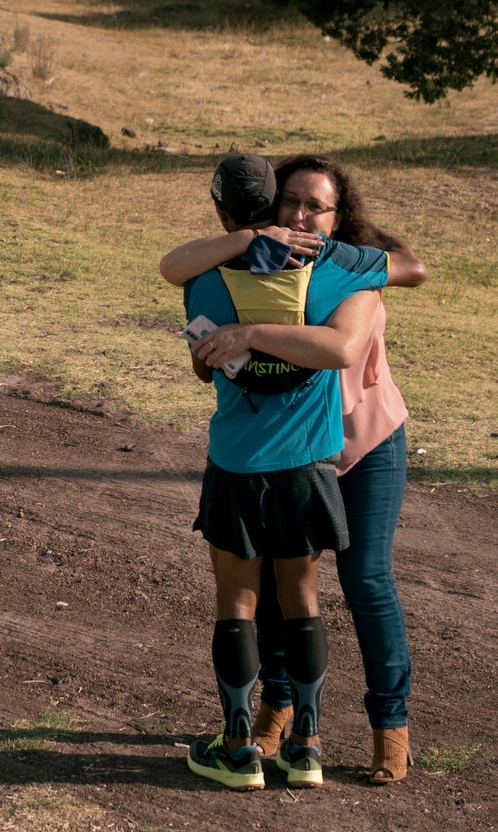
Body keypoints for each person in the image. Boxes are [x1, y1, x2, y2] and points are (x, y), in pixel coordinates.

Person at [163, 153, 426, 785]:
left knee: (364, 579)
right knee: (286, 594)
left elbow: (351, 338)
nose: (302, 214)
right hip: (300, 451)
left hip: (364, 442)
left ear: (340, 216)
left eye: (317, 206)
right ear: (269, 208)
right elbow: (195, 312)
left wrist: (247, 333)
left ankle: (390, 726)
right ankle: (281, 717)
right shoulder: (262, 266)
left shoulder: (352, 271)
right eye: (291, 202)